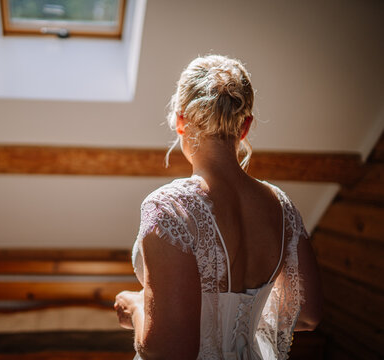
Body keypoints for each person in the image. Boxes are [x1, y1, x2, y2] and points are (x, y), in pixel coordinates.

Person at [114, 55, 323, 360]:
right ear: (245, 126)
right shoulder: (283, 207)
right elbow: (307, 315)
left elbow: (170, 350)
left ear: (181, 120)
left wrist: (135, 306)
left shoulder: (169, 207)